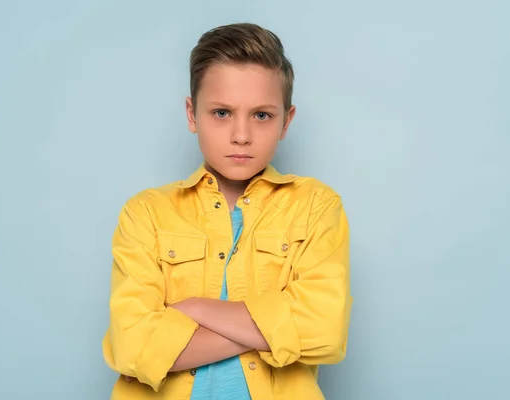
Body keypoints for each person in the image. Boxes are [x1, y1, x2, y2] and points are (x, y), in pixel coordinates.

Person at [102, 22, 353, 400]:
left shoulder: (316, 208)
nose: (241, 135)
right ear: (192, 114)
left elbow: (324, 329)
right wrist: (273, 328)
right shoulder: (145, 215)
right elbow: (133, 346)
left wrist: (195, 309)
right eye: (221, 113)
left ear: (287, 120)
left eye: (262, 115)